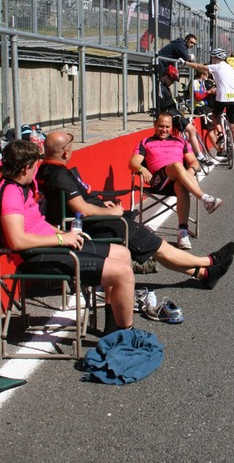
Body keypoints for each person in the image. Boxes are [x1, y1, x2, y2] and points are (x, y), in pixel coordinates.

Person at [36, 131, 234, 289]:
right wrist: (110, 212)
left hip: (94, 219)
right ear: (65, 153)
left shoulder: (46, 170)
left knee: (152, 244)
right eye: (70, 146)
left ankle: (205, 274)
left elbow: (79, 202)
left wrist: (102, 205)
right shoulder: (59, 175)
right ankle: (209, 261)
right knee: (156, 245)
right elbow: (81, 208)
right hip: (93, 225)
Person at [0, 140, 135, 335]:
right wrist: (63, 240)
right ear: (25, 169)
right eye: (34, 167)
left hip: (53, 246)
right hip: (38, 256)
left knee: (123, 254)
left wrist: (63, 234)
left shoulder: (23, 187)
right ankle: (126, 334)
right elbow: (17, 241)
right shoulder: (11, 193)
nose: (36, 171)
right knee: (122, 272)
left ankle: (112, 327)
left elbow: (37, 223)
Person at [129, 113, 223, 249]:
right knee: (177, 165)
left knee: (182, 185)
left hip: (177, 180)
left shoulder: (181, 142)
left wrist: (190, 171)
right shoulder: (146, 142)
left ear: (171, 127)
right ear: (155, 125)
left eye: (167, 126)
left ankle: (182, 233)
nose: (164, 129)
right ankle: (205, 199)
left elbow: (194, 162)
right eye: (161, 126)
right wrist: (142, 169)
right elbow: (133, 163)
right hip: (157, 181)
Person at [184, 48, 234, 154]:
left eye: (213, 58)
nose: (212, 60)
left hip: (223, 97)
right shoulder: (230, 68)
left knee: (215, 115)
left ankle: (220, 134)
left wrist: (186, 63)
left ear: (216, 58)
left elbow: (198, 66)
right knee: (233, 126)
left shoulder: (217, 66)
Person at [157, 64, 213, 168]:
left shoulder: (165, 86)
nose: (172, 83)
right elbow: (161, 104)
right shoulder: (160, 86)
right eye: (172, 80)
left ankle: (190, 156)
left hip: (174, 111)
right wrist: (175, 100)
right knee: (191, 130)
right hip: (169, 114)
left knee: (189, 132)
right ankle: (199, 156)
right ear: (166, 76)